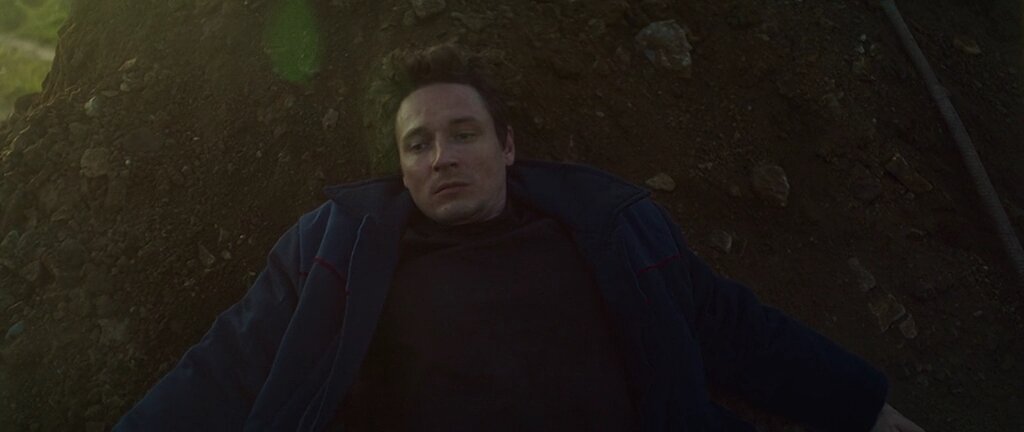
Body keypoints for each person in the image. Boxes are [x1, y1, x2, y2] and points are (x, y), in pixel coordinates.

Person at [113, 43, 926, 432]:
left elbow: (729, 325)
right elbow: (232, 360)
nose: (441, 158)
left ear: (507, 146)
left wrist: (870, 412)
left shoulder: (608, 226)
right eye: (418, 145)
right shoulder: (338, 247)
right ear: (401, 168)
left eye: (462, 134)